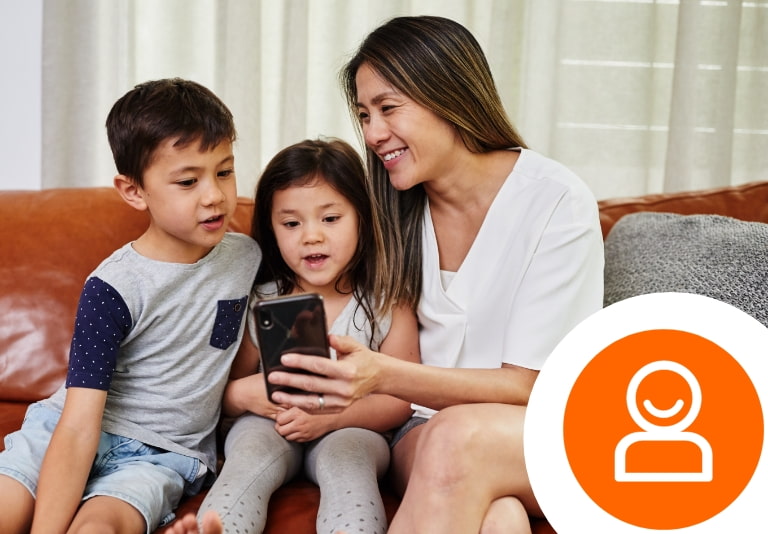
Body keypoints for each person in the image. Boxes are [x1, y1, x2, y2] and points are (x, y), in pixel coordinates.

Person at [266, 16, 605, 534]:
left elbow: (533, 388)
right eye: (364, 115)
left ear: (446, 93)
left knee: (459, 437)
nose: (373, 134)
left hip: (543, 434)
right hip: (422, 436)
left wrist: (383, 374)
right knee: (499, 517)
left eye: (388, 108)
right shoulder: (387, 208)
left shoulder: (556, 200)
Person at [0, 78, 261, 534]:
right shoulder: (114, 286)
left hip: (162, 455)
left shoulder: (248, 256)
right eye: (187, 181)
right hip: (69, 430)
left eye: (224, 171)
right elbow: (80, 425)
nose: (214, 195)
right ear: (134, 191)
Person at [166, 138, 419, 534]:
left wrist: (332, 418)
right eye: (291, 223)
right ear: (272, 229)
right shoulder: (261, 298)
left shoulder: (386, 301)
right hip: (270, 424)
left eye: (330, 219)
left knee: (347, 461)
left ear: (363, 219)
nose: (311, 236)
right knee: (249, 456)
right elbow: (223, 388)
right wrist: (248, 394)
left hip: (352, 428)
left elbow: (403, 398)